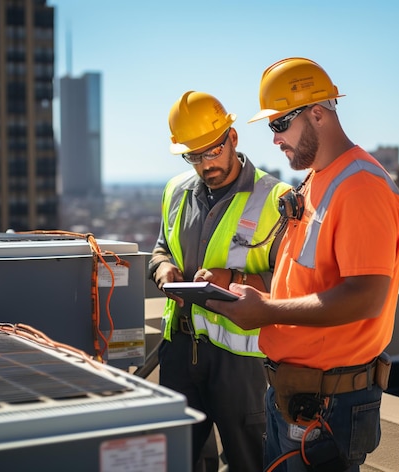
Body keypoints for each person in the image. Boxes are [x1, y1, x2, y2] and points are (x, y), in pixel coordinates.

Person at [209, 57, 399, 471]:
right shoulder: (318, 178)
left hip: (327, 405)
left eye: (280, 124)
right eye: (271, 128)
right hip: (295, 397)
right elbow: (308, 281)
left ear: (317, 113)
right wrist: (249, 289)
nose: (275, 140)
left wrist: (266, 312)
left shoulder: (361, 187)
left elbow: (367, 297)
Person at [148, 90, 292, 472]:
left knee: (250, 461)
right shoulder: (177, 191)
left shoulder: (276, 198)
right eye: (194, 156)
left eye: (212, 151)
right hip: (179, 351)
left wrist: (234, 279)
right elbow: (161, 249)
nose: (204, 164)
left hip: (241, 364)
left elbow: (290, 283)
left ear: (233, 138)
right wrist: (163, 270)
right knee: (178, 458)